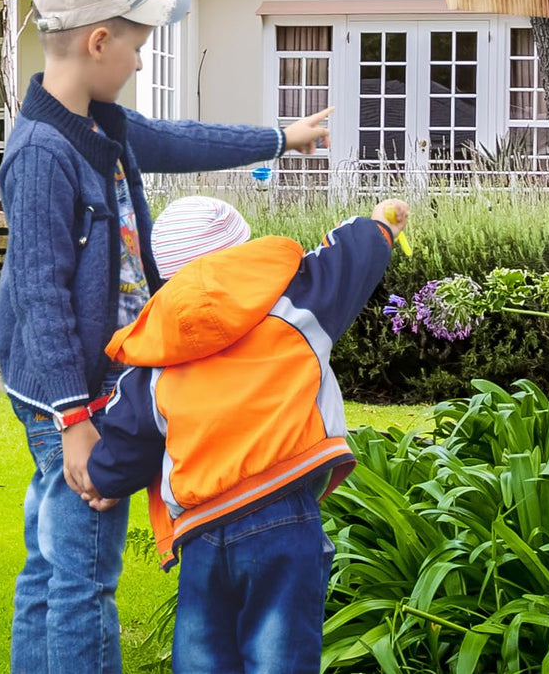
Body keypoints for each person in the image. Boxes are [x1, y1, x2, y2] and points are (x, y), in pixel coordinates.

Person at [0, 0, 333, 674]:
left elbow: (179, 139)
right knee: (85, 576)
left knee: (49, 564)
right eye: (139, 46)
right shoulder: (40, 154)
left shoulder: (102, 126)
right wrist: (76, 422)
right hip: (71, 396)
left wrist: (281, 138)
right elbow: (41, 299)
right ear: (98, 42)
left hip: (89, 385)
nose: (142, 64)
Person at [86, 193, 410, 674]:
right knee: (279, 653)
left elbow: (128, 435)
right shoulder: (299, 305)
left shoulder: (155, 355)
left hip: (201, 528)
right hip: (282, 512)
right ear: (245, 253)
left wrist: (103, 481)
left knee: (203, 655)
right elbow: (351, 257)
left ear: (168, 273)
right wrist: (383, 223)